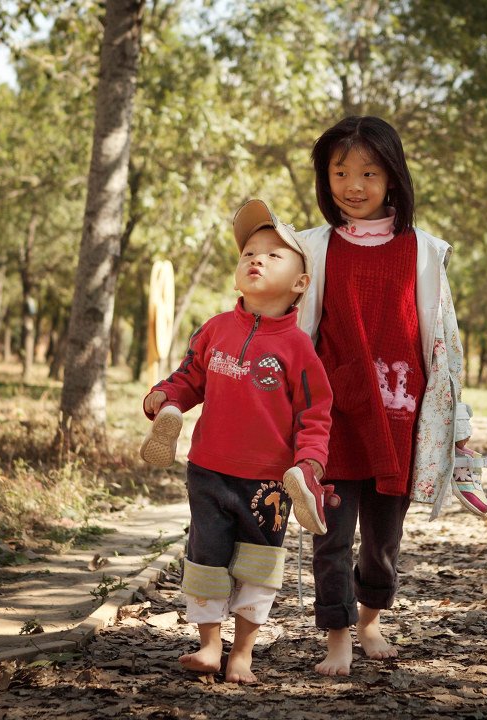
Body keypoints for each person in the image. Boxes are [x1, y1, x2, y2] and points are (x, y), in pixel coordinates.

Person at [295, 115, 487, 676]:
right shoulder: (316, 247)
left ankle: (370, 621)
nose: (352, 185)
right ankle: (336, 636)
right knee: (328, 537)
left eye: (368, 172)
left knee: (383, 540)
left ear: (392, 177)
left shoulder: (424, 251)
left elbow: (443, 341)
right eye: (339, 171)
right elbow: (294, 328)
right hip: (332, 422)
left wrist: (458, 417)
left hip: (398, 419)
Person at [139, 199, 335, 684]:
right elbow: (190, 377)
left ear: (300, 284)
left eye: (273, 255)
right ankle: (209, 647)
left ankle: (242, 653)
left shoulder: (298, 349)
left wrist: (309, 462)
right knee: (205, 555)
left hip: (269, 480)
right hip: (207, 468)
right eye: (249, 251)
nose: (256, 259)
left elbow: (316, 415)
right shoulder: (215, 329)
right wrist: (166, 398)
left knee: (258, 565)